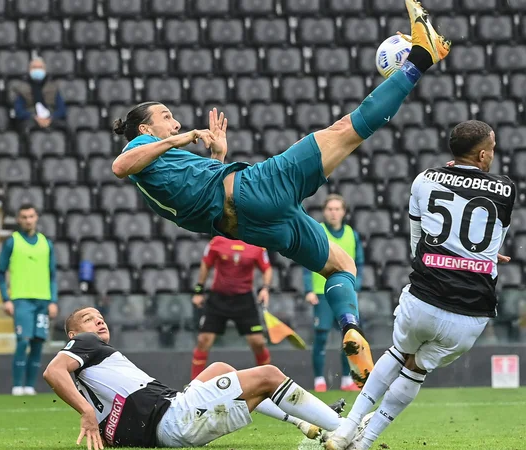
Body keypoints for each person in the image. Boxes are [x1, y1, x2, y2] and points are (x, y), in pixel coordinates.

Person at [111, 0, 451, 388]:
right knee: (346, 130)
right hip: (256, 189)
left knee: (342, 267)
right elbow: (121, 167)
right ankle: (421, 57)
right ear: (144, 130)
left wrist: (218, 154)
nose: (176, 121)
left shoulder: (157, 165)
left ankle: (350, 328)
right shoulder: (135, 153)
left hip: (250, 223)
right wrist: (188, 138)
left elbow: (199, 190)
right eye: (166, 116)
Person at [324, 120, 514, 449]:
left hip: (424, 299)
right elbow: (491, 241)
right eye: (493, 149)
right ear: (483, 155)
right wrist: (479, 257)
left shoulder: (424, 180)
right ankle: (365, 442)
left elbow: (417, 243)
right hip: (471, 315)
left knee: (399, 353)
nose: (493, 155)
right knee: (416, 370)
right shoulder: (506, 189)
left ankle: (345, 431)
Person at [44, 307, 348, 449]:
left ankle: (305, 422)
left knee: (219, 368)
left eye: (99, 316)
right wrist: (85, 412)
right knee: (268, 375)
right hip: (175, 420)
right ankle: (345, 431)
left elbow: (114, 430)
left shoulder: (90, 378)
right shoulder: (86, 343)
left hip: (170, 418)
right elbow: (53, 371)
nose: (98, 320)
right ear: (73, 335)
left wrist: (96, 421)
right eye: (88, 319)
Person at [302, 194, 364, 392]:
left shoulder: (351, 234)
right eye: (330, 209)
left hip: (344, 293)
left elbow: (360, 263)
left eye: (337, 209)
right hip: (321, 293)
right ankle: (319, 379)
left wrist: (356, 286)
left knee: (349, 336)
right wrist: (308, 289)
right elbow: (305, 261)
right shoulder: (317, 231)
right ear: (324, 211)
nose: (333, 213)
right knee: (321, 337)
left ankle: (347, 379)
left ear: (344, 212)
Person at [190, 236, 273, 380]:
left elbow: (267, 269)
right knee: (204, 340)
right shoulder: (217, 241)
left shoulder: (256, 243)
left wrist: (265, 289)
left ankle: (268, 382)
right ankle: (193, 385)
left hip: (244, 300)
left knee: (258, 343)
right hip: (218, 299)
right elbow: (206, 264)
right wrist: (199, 290)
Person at [0, 204, 58, 396]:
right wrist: (6, 299)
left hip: (42, 300)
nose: (28, 220)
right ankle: (17, 385)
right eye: (24, 217)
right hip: (21, 299)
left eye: (31, 216)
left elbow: (52, 274)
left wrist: (53, 300)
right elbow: (0, 272)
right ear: (18, 219)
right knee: (23, 341)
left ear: (36, 218)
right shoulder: (12, 242)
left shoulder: (46, 243)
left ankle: (30, 386)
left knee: (38, 342)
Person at [10, 57, 67, 134]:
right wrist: (35, 118)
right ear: (29, 70)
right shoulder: (21, 88)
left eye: (40, 67)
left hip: (51, 117)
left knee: (65, 128)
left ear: (45, 70)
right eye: (34, 67)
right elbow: (19, 111)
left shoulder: (53, 87)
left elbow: (62, 109)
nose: (37, 70)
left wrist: (50, 118)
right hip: (31, 118)